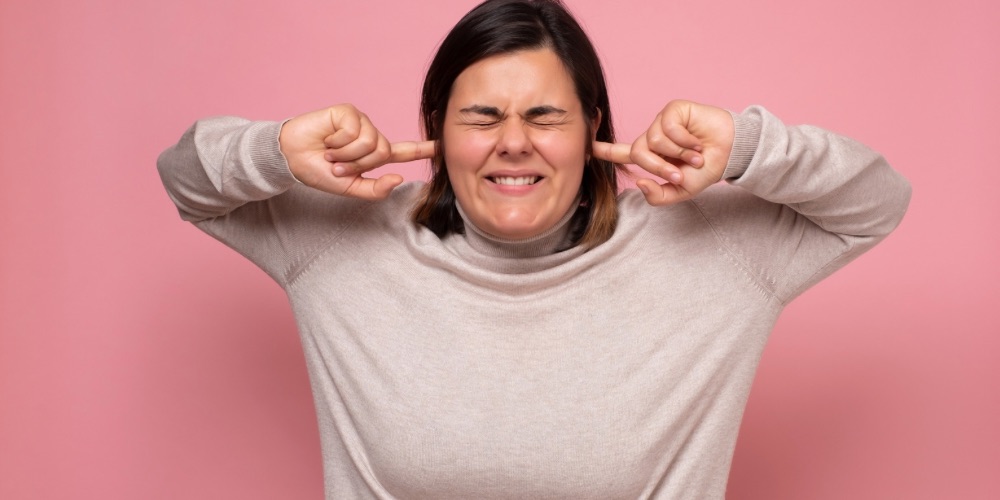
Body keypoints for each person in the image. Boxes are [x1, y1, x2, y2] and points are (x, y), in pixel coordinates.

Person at [157, 0, 911, 498]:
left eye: (545, 115)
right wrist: (278, 148)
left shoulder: (715, 250)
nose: (513, 143)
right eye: (482, 115)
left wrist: (748, 144)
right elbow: (186, 178)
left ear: (593, 130)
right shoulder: (338, 238)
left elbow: (877, 202)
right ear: (434, 129)